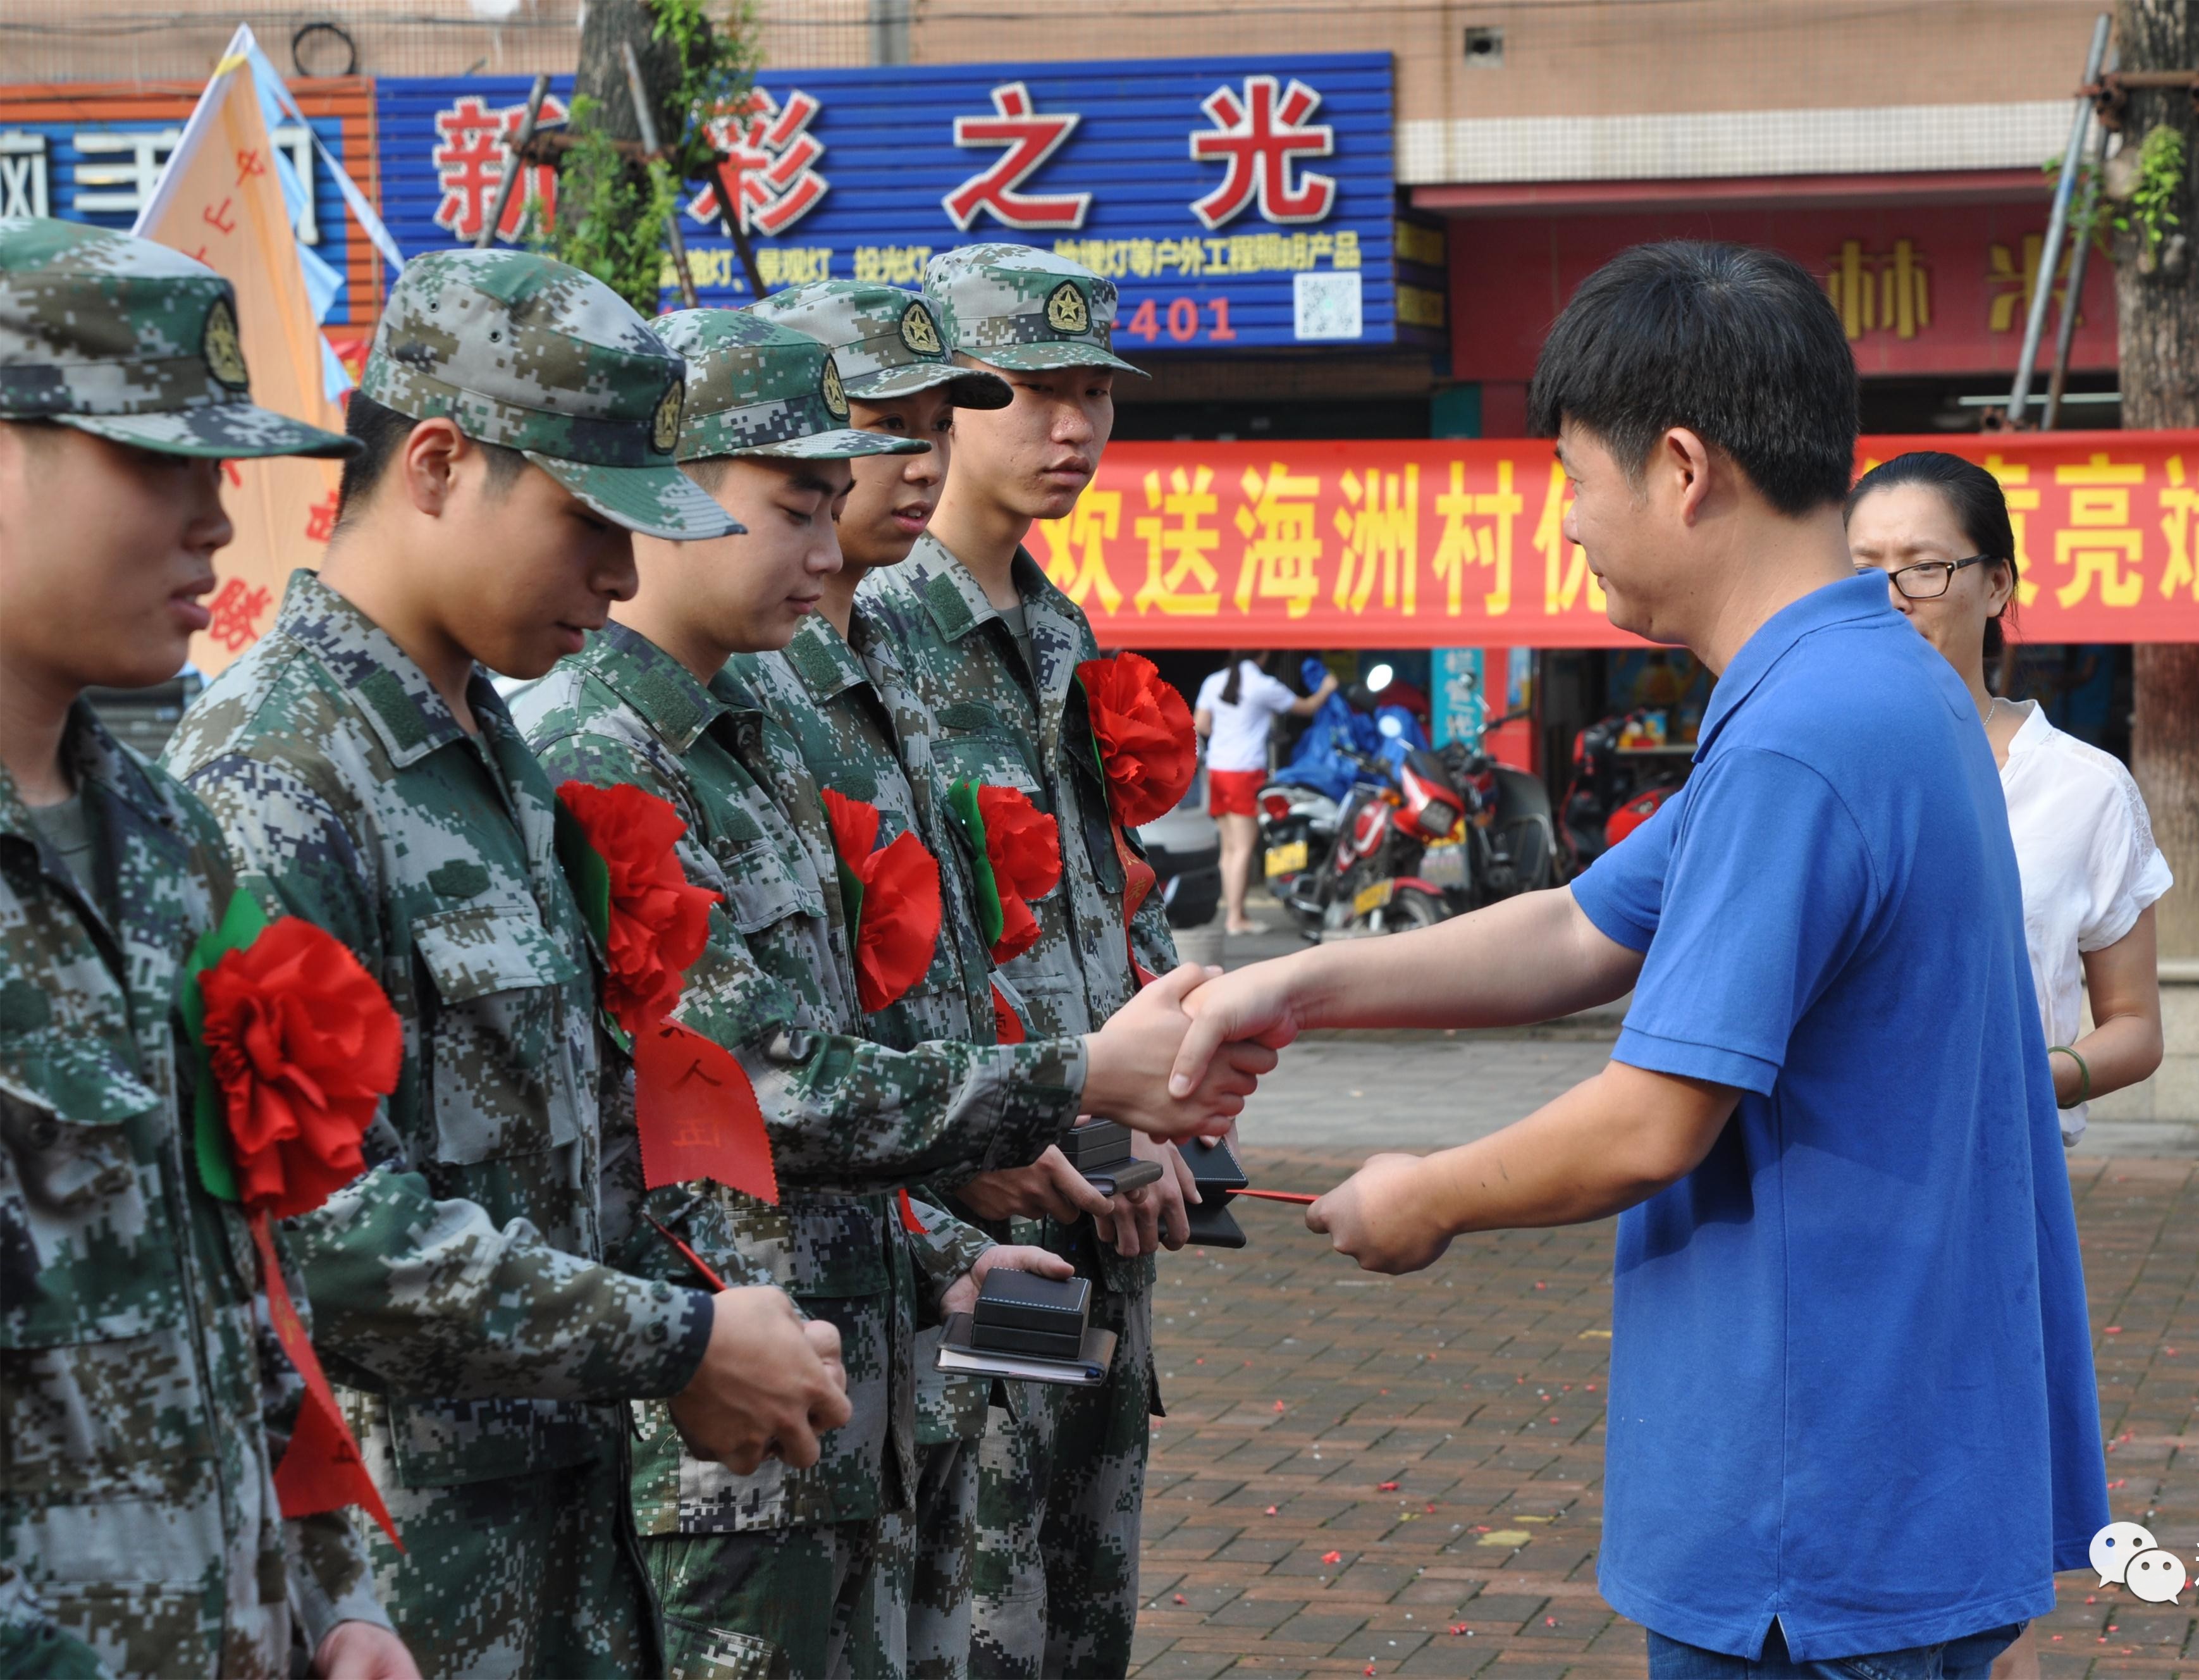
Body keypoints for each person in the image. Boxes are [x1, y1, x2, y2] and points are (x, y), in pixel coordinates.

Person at [1173, 240, 2109, 1677]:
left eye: (1570, 478)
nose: (1565, 526)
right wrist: (1289, 983)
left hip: (1822, 1511)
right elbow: (1579, 926)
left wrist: (1422, 1193)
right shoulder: (1867, 683)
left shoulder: (1804, 735)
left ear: (1679, 467)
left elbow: (1653, 1117)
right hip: (1889, 1477)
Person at [510, 304, 1264, 1680]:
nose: (836, 536)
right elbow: (748, 1083)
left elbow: (892, 1010)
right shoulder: (598, 745)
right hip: (720, 1395)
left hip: (862, 1347)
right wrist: (1076, 1085)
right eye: (803, 500)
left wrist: (943, 1241)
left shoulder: (751, 735)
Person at [162, 250, 854, 1679]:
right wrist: (677, 1339)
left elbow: (574, 1143)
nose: (620, 571)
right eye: (588, 519)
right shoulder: (276, 772)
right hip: (400, 1582)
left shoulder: (490, 749)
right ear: (435, 462)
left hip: (557, 1541)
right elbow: (323, 1241)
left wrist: (720, 1319)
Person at [0, 217, 419, 1680]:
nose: (215, 521)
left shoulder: (165, 842)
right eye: (157, 461)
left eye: (217, 464)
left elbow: (242, 1294)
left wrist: (335, 1591)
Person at [859, 244, 1193, 1680]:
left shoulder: (1057, 635)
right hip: (958, 1218)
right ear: (940, 407)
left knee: (1081, 1619)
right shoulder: (864, 638)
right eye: (1036, 393)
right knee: (978, 1619)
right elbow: (863, 956)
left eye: (1095, 395)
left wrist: (1167, 1100)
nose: (1075, 430)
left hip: (1100, 1215)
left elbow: (1107, 902)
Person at [733, 278, 1066, 1680]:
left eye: (936, 424)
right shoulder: (734, 698)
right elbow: (762, 1060)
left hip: (910, 1256)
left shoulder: (897, 662)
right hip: (775, 1319)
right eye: (882, 426)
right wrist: (1037, 1107)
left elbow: (969, 954)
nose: (917, 460)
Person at [1846, 451, 2167, 1153]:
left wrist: (2033, 1076)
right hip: (1822, 1165)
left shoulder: (2085, 788)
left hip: (2002, 1160)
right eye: (1862, 571)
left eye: (1923, 567)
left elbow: (2135, 1025)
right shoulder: (1805, 769)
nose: (1890, 596)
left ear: (1996, 585)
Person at [1193, 651, 1336, 932]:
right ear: (1266, 654)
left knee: (1229, 848)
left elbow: (1202, 724)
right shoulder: (1263, 686)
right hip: (1244, 771)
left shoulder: (1214, 681)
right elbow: (1307, 708)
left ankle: (1234, 913)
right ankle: (1236, 917)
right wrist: (1327, 689)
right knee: (1245, 847)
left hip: (1218, 769)